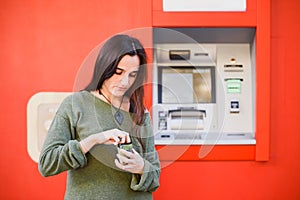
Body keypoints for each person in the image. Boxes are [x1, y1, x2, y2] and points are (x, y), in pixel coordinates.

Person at [38, 34, 160, 199]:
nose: (125, 81)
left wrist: (140, 167)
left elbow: (155, 177)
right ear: (105, 67)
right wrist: (93, 140)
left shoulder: (139, 112)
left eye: (132, 75)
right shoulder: (75, 105)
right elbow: (47, 164)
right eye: (119, 72)